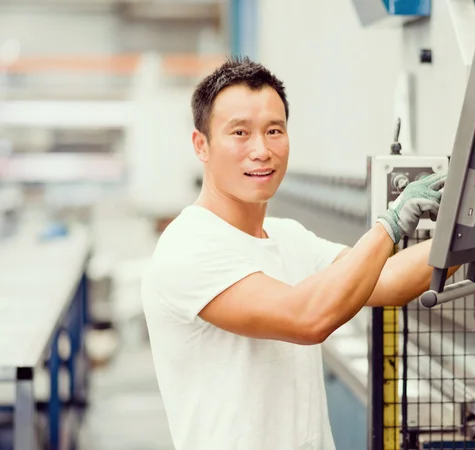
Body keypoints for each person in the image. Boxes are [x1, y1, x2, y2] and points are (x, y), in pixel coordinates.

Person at [141, 56, 456, 450]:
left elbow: (388, 280)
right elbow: (307, 318)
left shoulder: (290, 238)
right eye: (239, 133)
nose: (261, 150)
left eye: (274, 130)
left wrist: (471, 226)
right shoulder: (188, 247)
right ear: (201, 145)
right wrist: (390, 226)